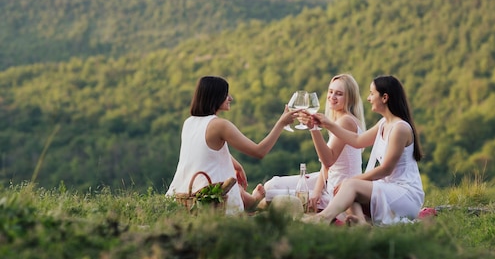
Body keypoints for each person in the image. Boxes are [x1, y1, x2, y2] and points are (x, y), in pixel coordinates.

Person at [304, 75, 424, 225]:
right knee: (349, 190)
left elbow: (385, 169)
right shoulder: (383, 123)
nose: (368, 98)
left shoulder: (400, 128)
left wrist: (351, 180)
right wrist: (327, 124)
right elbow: (357, 141)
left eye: (372, 93)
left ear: (384, 97)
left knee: (350, 185)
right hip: (389, 188)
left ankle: (323, 218)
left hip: (405, 194)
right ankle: (361, 223)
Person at [166, 75, 296, 214]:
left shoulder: (189, 122)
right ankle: (251, 202)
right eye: (226, 94)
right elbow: (259, 152)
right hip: (210, 200)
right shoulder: (220, 125)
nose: (230, 98)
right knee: (228, 185)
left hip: (183, 194)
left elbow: (205, 151)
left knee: (231, 181)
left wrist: (237, 166)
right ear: (215, 97)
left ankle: (250, 200)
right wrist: (281, 123)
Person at [263, 73, 365, 212]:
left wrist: (314, 129)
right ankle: (254, 200)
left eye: (339, 94)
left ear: (350, 98)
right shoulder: (339, 119)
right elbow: (326, 167)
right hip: (327, 180)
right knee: (272, 185)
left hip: (338, 190)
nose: (332, 97)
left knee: (271, 194)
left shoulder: (346, 121)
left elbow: (328, 160)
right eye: (330, 92)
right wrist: (316, 191)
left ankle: (252, 202)